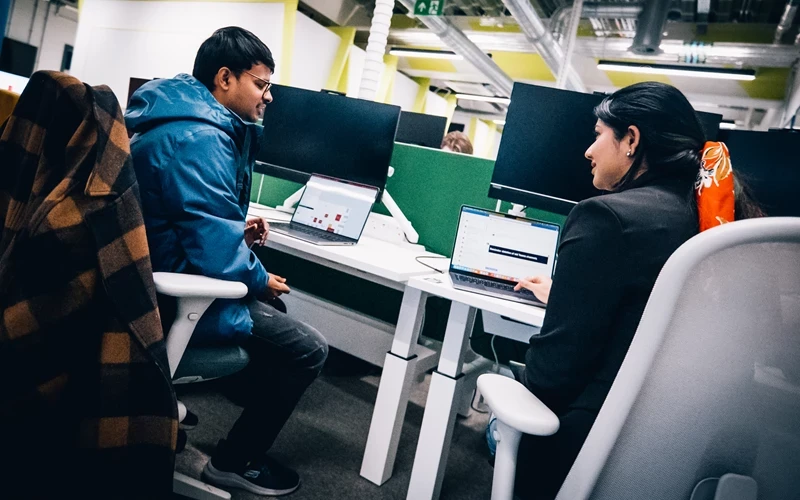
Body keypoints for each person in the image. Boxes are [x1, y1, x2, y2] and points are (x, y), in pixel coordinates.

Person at [508, 82, 762, 499]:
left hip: (592, 449)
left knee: (499, 427)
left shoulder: (605, 217)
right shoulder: (715, 220)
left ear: (631, 139)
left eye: (597, 135)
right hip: (681, 456)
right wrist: (570, 296)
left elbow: (551, 376)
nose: (589, 151)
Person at [125, 27, 328, 496]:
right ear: (224, 79)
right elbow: (216, 258)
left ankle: (163, 408)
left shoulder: (175, 121)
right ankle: (233, 462)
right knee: (309, 349)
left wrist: (235, 229)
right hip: (170, 299)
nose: (269, 96)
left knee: (272, 321)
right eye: (261, 84)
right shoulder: (201, 139)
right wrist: (260, 279)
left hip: (150, 282)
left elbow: (186, 220)